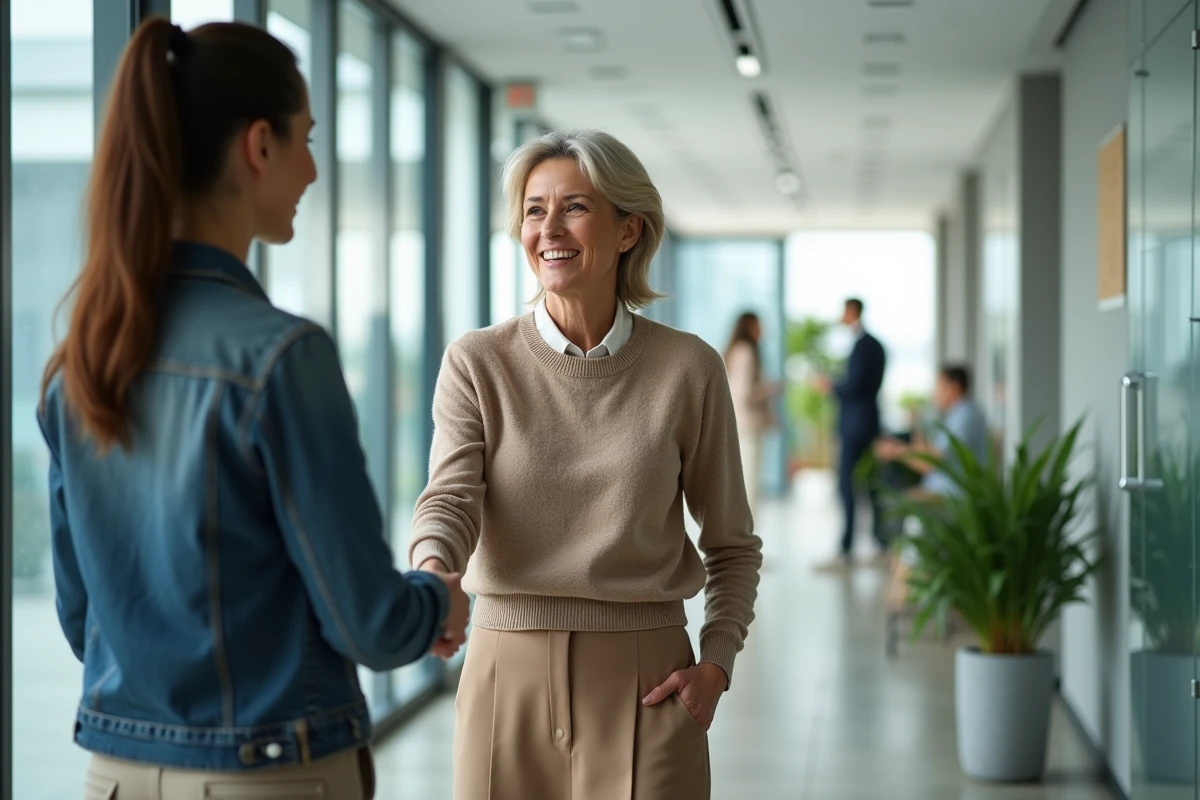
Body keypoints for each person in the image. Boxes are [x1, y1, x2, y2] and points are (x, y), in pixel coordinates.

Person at [36, 18, 468, 799]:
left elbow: (83, 617)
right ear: (258, 145)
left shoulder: (81, 363)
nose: (310, 170)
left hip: (114, 773)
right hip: (268, 777)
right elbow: (366, 621)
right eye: (305, 139)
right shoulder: (279, 357)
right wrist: (438, 600)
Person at [409, 129, 763, 800]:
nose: (549, 229)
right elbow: (449, 499)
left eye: (573, 207)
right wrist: (434, 572)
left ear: (628, 230)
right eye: (534, 209)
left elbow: (731, 544)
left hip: (649, 680)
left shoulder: (688, 367)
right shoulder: (477, 361)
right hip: (502, 676)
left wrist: (715, 664)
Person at [815, 297, 887, 570]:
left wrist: (830, 386)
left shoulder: (862, 346)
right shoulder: (876, 345)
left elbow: (854, 387)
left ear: (852, 311)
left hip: (855, 426)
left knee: (847, 485)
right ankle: (879, 543)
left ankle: (846, 550)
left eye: (843, 311)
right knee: (869, 485)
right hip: (869, 424)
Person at [874, 364, 989, 500]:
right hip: (941, 488)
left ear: (954, 388)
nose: (935, 393)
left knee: (894, 498)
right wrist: (917, 426)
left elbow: (929, 463)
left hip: (953, 495)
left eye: (939, 387)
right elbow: (925, 455)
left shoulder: (965, 416)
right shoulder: (957, 415)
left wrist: (895, 451)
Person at [724, 311, 777, 510]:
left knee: (745, 478)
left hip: (740, 422)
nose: (761, 330)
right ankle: (746, 534)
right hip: (748, 423)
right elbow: (744, 393)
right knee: (750, 480)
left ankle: (744, 533)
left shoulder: (736, 350)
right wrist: (770, 388)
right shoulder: (746, 352)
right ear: (748, 327)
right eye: (758, 325)